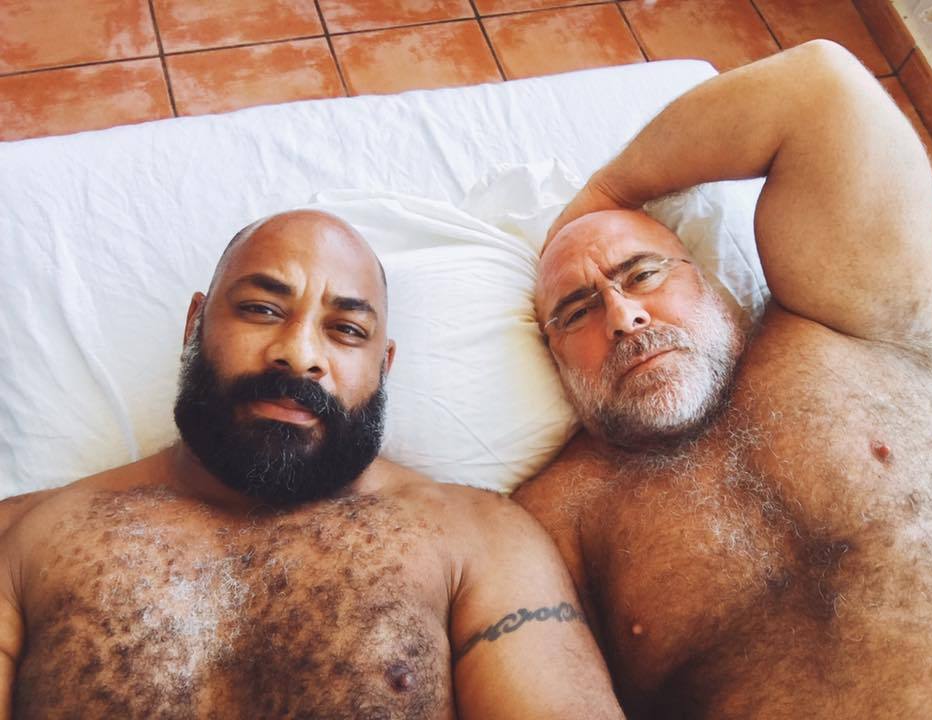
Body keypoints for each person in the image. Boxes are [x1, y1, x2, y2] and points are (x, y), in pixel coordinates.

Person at [0, 210, 625, 720]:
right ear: (195, 326)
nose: (300, 354)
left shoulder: (481, 540)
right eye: (262, 310)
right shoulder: (25, 538)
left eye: (346, 330)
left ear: (384, 367)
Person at [514, 40, 932, 719]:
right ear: (553, 359)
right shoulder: (556, 524)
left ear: (713, 282)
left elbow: (819, 88)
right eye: (576, 311)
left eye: (644, 273)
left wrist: (605, 194)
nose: (624, 317)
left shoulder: (846, 325)